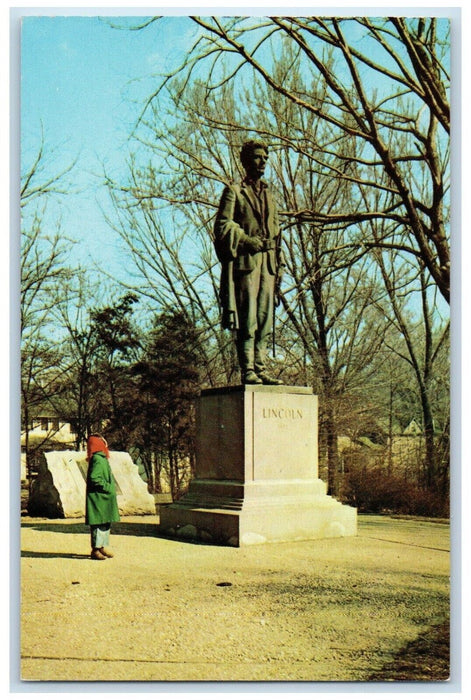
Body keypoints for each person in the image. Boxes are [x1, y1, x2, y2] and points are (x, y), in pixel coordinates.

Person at [214, 139, 284, 385]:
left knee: (265, 318)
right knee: (248, 318)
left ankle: (261, 367)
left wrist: (280, 266)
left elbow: (278, 234)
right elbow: (222, 226)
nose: (262, 161)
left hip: (268, 264)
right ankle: (248, 370)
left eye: (265, 157)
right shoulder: (233, 192)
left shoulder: (270, 195)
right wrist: (246, 241)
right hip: (246, 263)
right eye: (257, 157)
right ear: (245, 161)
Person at [85, 434, 120, 560]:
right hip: (99, 498)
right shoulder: (98, 459)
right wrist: (108, 487)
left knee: (105, 523)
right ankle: (96, 549)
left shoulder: (100, 458)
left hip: (102, 498)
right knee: (98, 524)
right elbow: (95, 478)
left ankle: (102, 546)